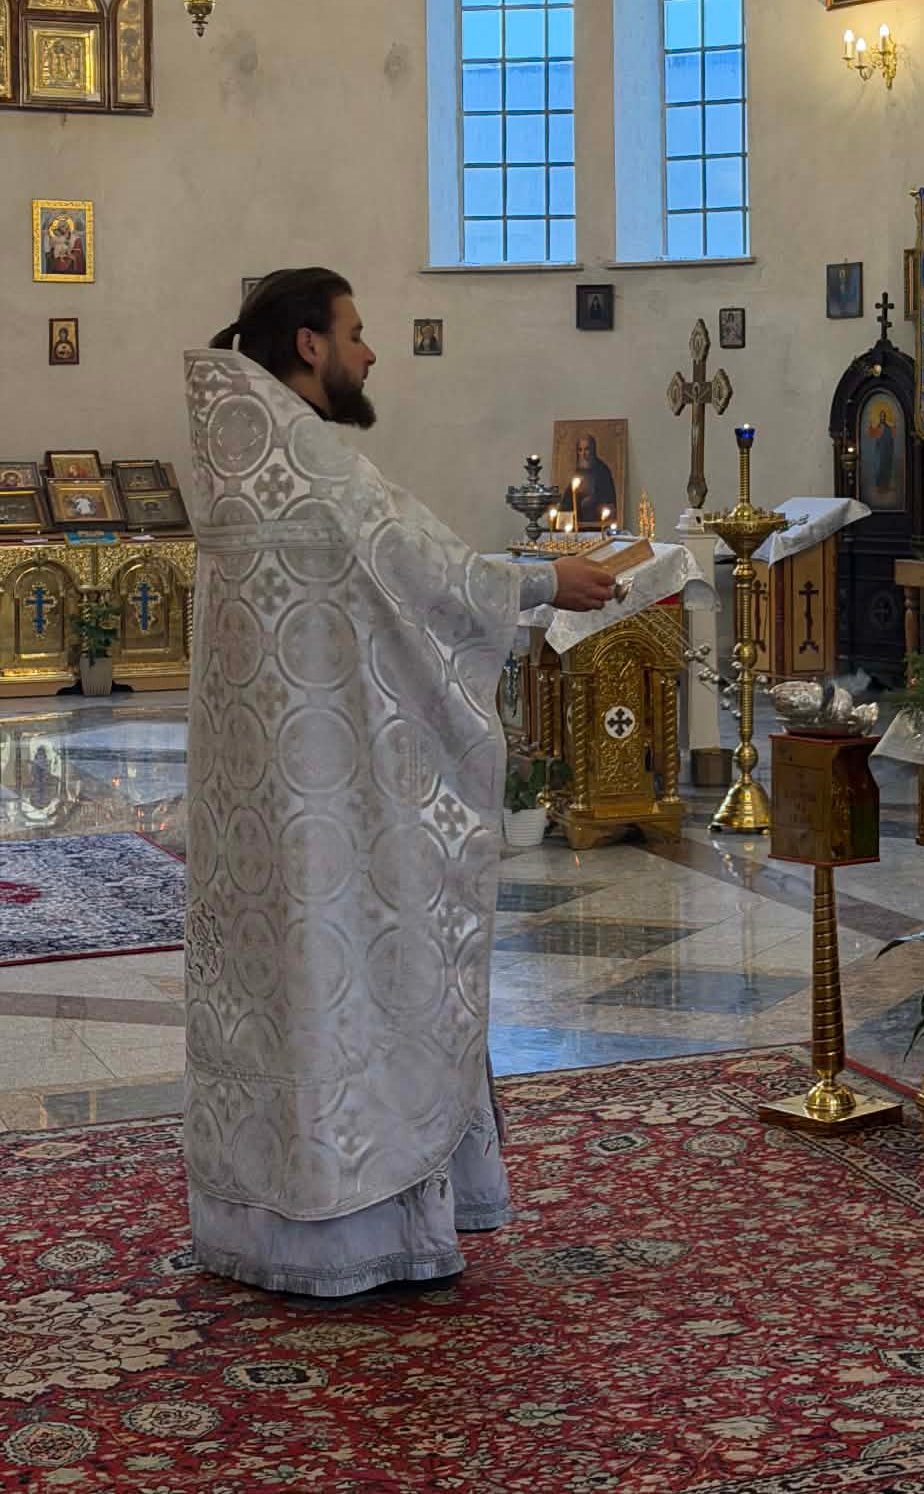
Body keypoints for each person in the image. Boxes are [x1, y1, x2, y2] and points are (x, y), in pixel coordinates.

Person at [181, 267, 616, 1298]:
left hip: (263, 809)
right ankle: (363, 1230)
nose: (371, 352)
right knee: (368, 978)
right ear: (306, 344)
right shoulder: (316, 460)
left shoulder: (235, 458)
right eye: (357, 333)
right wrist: (552, 578)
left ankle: (273, 1225)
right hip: (341, 803)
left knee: (281, 993)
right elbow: (432, 573)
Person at [559, 430, 618, 528]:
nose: (583, 454)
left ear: (593, 450)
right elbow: (569, 496)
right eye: (580, 450)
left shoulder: (602, 470)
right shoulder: (579, 471)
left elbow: (608, 498)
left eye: (587, 449)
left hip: (598, 523)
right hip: (579, 523)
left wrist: (593, 500)